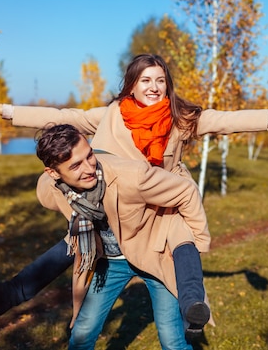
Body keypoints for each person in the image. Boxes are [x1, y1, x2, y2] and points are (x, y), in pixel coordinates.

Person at [0, 53, 268, 340]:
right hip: (113, 233)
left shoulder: (179, 119)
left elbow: (227, 120)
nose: (154, 87)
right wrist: (0, 110)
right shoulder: (111, 115)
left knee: (171, 333)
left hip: (158, 227)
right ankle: (9, 293)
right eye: (145, 80)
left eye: (160, 80)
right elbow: (61, 116)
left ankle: (191, 306)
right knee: (79, 285)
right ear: (132, 85)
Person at [35, 123, 210, 349]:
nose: (89, 168)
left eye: (89, 155)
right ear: (53, 173)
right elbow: (46, 191)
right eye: (76, 165)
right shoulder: (54, 191)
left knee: (172, 339)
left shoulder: (133, 176)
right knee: (82, 332)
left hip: (153, 256)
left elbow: (186, 191)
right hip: (109, 264)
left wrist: (197, 245)